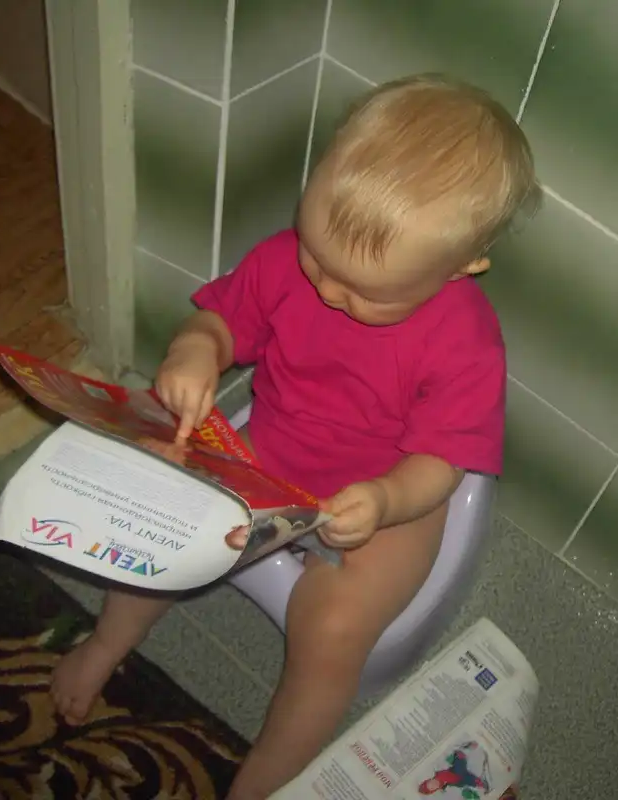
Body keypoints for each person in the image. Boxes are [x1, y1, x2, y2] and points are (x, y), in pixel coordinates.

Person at [51, 73, 540, 799]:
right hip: (272, 452)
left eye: (365, 292)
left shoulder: (465, 339)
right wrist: (196, 350)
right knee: (167, 522)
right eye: (317, 255)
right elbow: (222, 321)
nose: (327, 291)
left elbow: (441, 462)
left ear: (463, 266)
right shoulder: (286, 261)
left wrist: (384, 499)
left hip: (390, 495)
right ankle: (106, 641)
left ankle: (262, 780)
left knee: (334, 629)